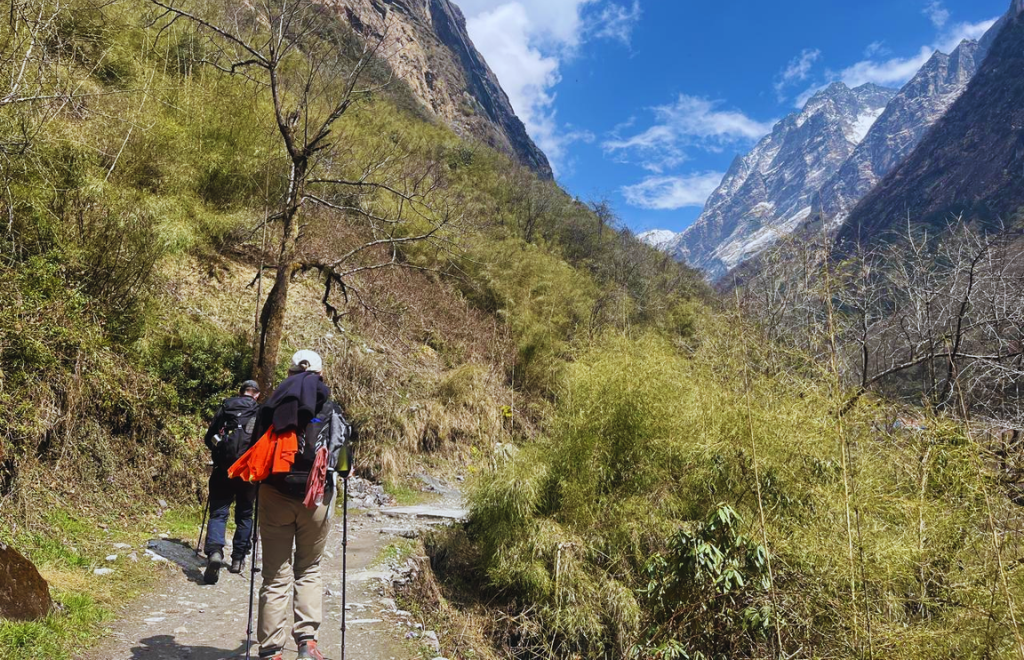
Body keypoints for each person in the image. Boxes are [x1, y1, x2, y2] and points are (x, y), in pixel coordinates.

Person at [241, 350, 344, 660]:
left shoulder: (271, 406)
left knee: (274, 574)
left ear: (289, 374)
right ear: (320, 375)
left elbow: (253, 449)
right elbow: (343, 462)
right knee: (309, 568)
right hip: (316, 498)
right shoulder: (332, 409)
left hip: (275, 493)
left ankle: (271, 650)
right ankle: (307, 643)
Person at [202, 380, 261, 585]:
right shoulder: (260, 411)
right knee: (245, 514)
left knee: (219, 513)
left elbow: (209, 437)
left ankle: (215, 552)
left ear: (241, 392)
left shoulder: (226, 407)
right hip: (247, 473)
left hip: (223, 470)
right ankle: (238, 559)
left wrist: (219, 448)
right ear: (256, 395)